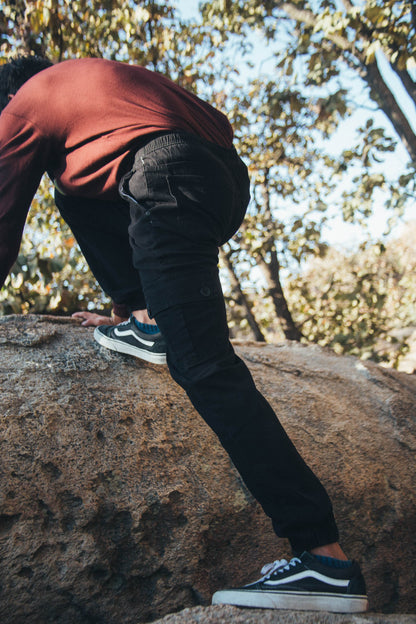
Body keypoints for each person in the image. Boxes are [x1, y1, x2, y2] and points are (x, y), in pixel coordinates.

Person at [0, 55, 368, 613]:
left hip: (165, 177)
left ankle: (324, 558)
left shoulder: (26, 103)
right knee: (70, 188)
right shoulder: (100, 87)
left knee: (204, 367)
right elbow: (203, 134)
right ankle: (147, 322)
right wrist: (130, 309)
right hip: (222, 181)